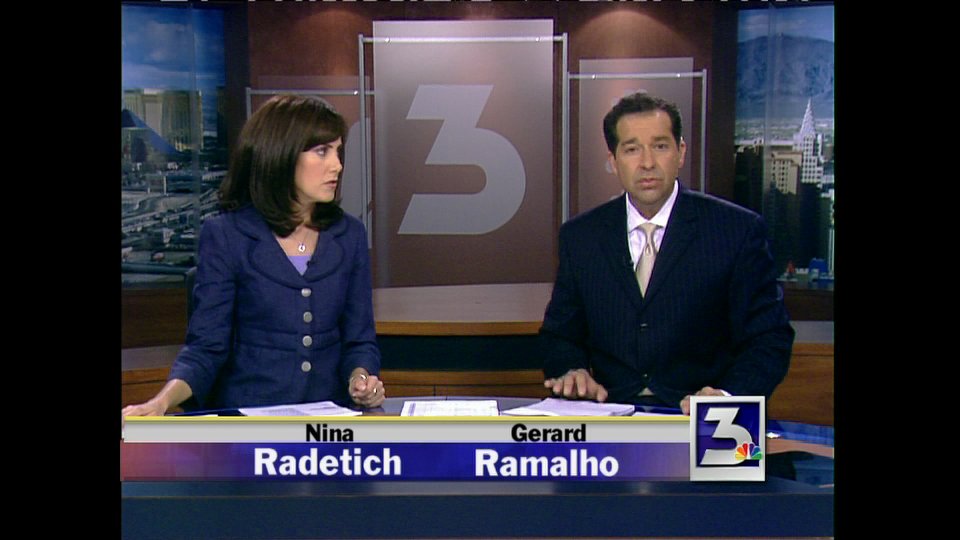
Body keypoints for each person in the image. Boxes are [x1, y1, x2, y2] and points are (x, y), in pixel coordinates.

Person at [122, 94, 384, 417]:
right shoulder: (227, 236)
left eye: (338, 151)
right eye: (322, 151)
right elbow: (206, 348)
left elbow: (359, 341)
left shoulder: (349, 235)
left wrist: (361, 379)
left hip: (326, 426)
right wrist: (161, 402)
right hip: (248, 422)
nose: (337, 165)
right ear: (281, 155)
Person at [540, 92, 794, 415]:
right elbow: (559, 335)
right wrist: (571, 370)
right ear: (613, 161)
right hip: (611, 415)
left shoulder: (736, 231)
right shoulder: (581, 237)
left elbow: (769, 337)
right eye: (632, 149)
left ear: (680, 152)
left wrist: (727, 396)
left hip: (702, 419)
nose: (647, 163)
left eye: (660, 146)